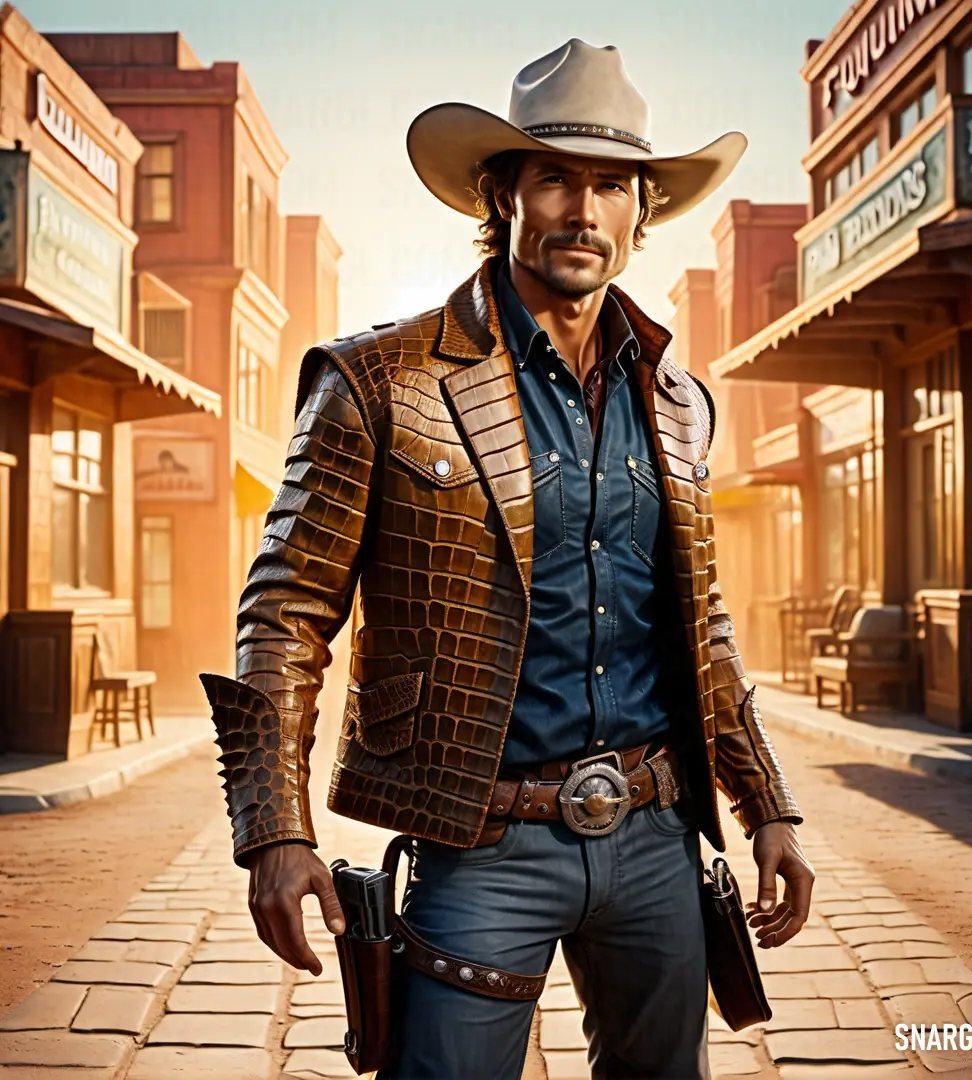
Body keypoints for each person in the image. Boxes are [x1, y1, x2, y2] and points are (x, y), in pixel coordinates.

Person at [201, 37, 814, 1080]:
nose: (585, 210)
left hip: (659, 837)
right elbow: (287, 610)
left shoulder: (678, 405)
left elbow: (702, 623)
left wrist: (770, 809)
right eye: (557, 177)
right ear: (503, 193)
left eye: (612, 183)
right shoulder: (377, 382)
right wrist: (273, 828)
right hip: (480, 843)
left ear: (641, 209)